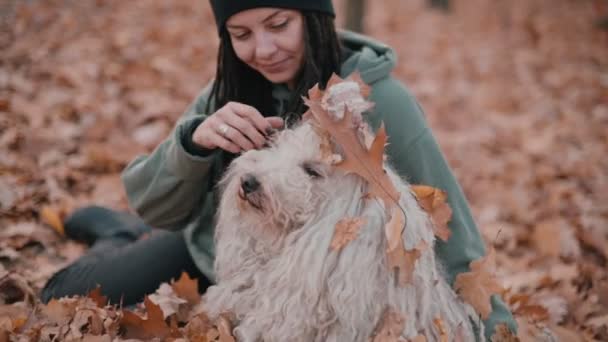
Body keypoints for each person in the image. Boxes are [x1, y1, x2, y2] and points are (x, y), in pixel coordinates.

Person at [41, 0, 516, 338]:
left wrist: (497, 331)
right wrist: (194, 141)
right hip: (214, 254)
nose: (263, 49)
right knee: (61, 293)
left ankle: (127, 236)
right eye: (242, 34)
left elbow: (452, 227)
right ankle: (119, 234)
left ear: (313, 17)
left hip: (307, 287)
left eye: (278, 24)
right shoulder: (228, 88)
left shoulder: (380, 100)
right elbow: (154, 202)